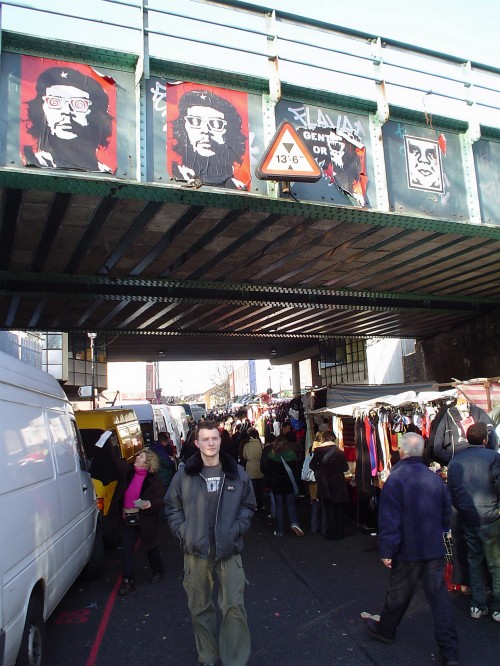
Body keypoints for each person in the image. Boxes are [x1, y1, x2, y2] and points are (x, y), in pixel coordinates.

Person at [361, 432, 458, 666]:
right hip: (432, 546)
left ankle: (385, 630)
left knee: (398, 593)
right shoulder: (434, 478)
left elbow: (389, 519)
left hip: (407, 548)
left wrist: (387, 550)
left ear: (401, 451)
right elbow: (446, 512)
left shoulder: (396, 479)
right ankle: (450, 651)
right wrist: (440, 530)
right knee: (439, 599)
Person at [165, 422, 256, 666]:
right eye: (205, 439)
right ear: (197, 443)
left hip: (229, 551)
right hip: (196, 553)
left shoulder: (236, 472)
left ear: (220, 440)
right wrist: (184, 532)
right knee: (199, 608)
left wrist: (237, 529)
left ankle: (234, 659)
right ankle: (208, 655)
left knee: (234, 607)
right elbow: (172, 506)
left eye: (214, 438)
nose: (211, 443)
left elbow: (248, 505)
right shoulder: (184, 474)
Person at [447, 421, 500, 622]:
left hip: (468, 517)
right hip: (491, 517)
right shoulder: (494, 457)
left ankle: (477, 605)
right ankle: (497, 608)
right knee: (495, 564)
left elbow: (451, 491)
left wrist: (462, 508)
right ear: (485, 440)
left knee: (474, 561)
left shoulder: (455, 461)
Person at [23, 65, 114, 172]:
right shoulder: (30, 159)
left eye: (78, 104)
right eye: (55, 102)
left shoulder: (105, 170)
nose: (66, 111)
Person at [170, 89, 248, 189]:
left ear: (230, 131)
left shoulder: (238, 185)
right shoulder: (174, 175)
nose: (205, 130)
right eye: (195, 121)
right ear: (183, 128)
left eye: (216, 124)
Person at [115, 449, 165, 596]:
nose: (137, 457)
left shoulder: (153, 480)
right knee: (126, 549)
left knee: (150, 546)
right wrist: (104, 443)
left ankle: (158, 572)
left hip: (145, 520)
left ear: (147, 462)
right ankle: (128, 581)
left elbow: (161, 499)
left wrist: (150, 503)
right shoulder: (128, 473)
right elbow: (114, 462)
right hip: (128, 518)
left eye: (141, 456)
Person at [309, 430, 348, 540]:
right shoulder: (340, 452)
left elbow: (312, 465)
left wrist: (320, 471)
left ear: (324, 439)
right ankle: (340, 533)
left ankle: (331, 533)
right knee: (339, 510)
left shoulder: (318, 451)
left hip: (325, 483)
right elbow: (345, 468)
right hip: (339, 484)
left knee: (329, 509)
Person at [264, 435, 304, 537]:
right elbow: (295, 470)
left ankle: (279, 530)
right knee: (291, 505)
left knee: (279, 506)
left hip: (277, 484)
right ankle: (294, 523)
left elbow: (267, 471)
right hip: (289, 483)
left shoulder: (271, 455)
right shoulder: (291, 455)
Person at [241, 427, 264, 511]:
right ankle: (261, 504)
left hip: (250, 467)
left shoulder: (246, 445)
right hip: (259, 467)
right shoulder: (261, 444)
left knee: (252, 489)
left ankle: (254, 505)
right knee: (260, 488)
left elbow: (244, 456)